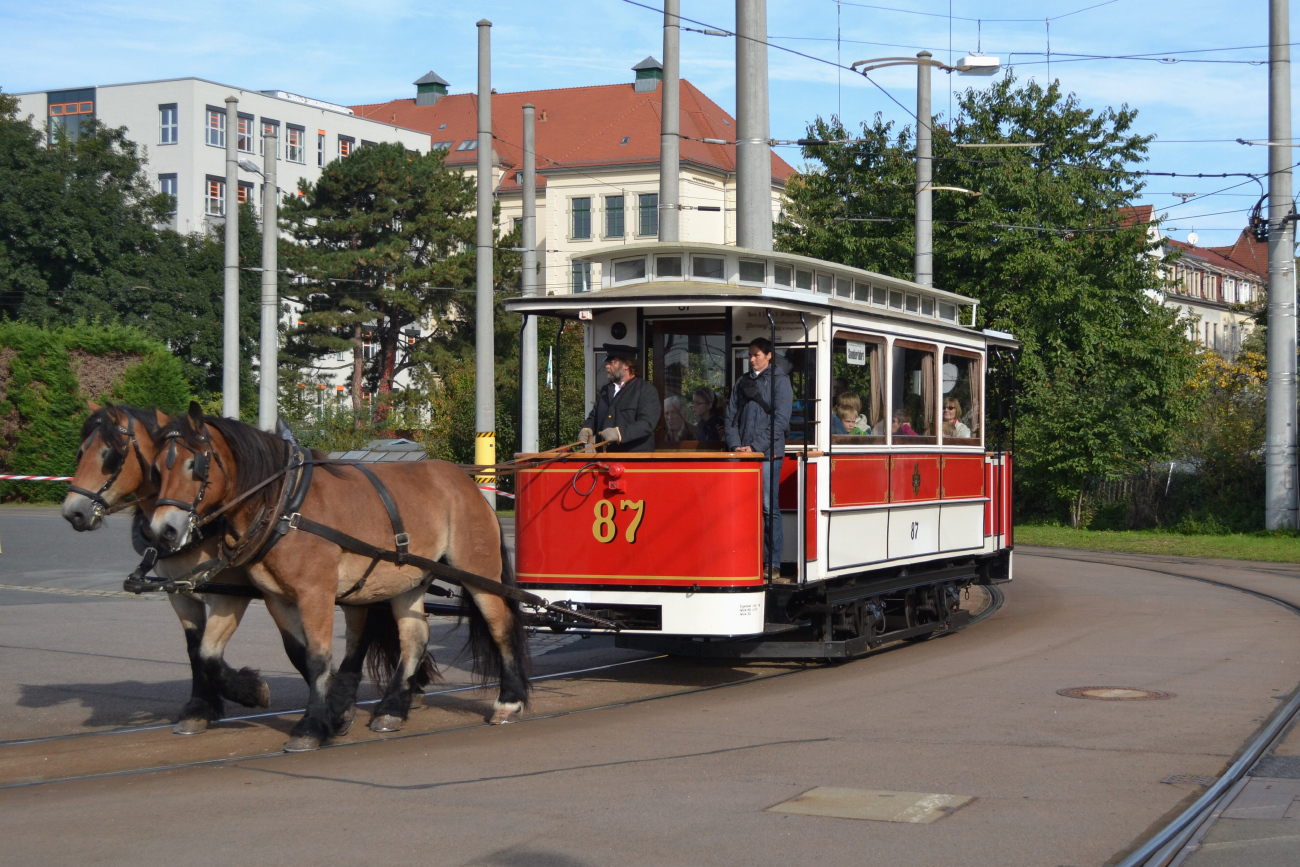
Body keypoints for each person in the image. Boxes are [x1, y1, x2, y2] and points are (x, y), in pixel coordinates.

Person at [725, 337, 793, 581]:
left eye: (756, 355)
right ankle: (748, 558)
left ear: (769, 356)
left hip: (767, 455)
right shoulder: (742, 382)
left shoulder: (780, 383)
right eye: (750, 355)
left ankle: (772, 563)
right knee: (744, 508)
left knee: (767, 507)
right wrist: (736, 445)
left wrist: (754, 447)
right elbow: (730, 417)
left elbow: (780, 422)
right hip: (745, 455)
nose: (751, 359)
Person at [579, 345, 661, 452]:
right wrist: (587, 428)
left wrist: (620, 433)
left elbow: (647, 424)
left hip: (633, 461)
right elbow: (594, 416)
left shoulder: (646, 390)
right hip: (605, 459)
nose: (607, 366)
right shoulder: (605, 390)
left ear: (626, 365)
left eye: (612, 363)